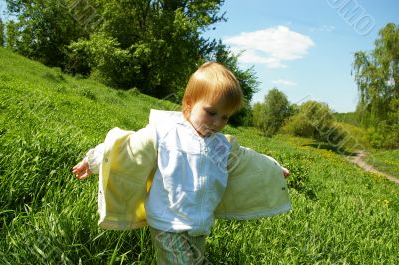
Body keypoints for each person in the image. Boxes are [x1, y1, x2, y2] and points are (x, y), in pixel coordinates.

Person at [72, 62, 291, 264]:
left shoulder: (221, 146)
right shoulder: (165, 133)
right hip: (168, 223)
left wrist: (273, 170)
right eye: (211, 112)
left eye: (225, 117)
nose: (217, 123)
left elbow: (247, 161)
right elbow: (129, 148)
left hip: (200, 224)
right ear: (189, 103)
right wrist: (92, 160)